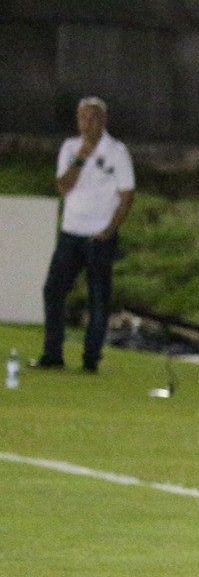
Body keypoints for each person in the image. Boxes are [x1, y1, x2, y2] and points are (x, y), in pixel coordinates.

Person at [38, 96, 133, 373]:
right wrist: (81, 158)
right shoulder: (69, 148)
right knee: (53, 291)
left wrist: (111, 228)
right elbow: (64, 187)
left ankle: (91, 358)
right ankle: (52, 353)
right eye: (82, 118)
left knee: (98, 298)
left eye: (92, 118)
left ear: (103, 120)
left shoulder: (117, 151)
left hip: (99, 236)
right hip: (70, 233)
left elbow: (127, 194)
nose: (86, 123)